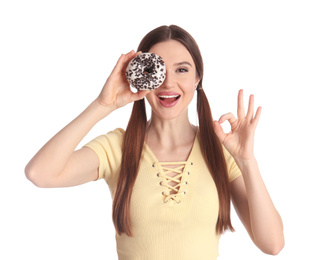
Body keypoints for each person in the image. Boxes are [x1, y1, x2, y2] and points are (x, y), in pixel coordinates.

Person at [25, 25, 284, 259]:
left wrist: (247, 161)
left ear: (197, 80)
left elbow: (272, 244)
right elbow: (40, 173)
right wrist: (103, 105)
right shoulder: (117, 148)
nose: (168, 82)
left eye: (182, 70)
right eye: (155, 70)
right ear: (139, 77)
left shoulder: (220, 151)